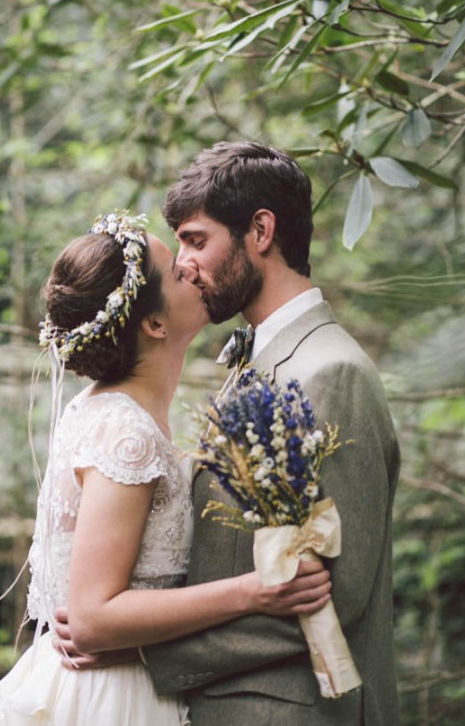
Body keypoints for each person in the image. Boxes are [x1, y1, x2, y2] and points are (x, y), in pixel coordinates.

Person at [54, 143, 401, 726]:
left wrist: (141, 651)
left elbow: (338, 593)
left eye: (195, 240)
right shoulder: (253, 361)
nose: (185, 264)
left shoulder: (331, 372)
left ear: (260, 231)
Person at [0, 209, 331, 726]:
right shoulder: (124, 434)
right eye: (176, 271)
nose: (193, 267)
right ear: (154, 323)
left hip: (133, 678)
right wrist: (255, 590)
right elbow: (93, 618)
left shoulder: (114, 412)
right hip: (110, 700)